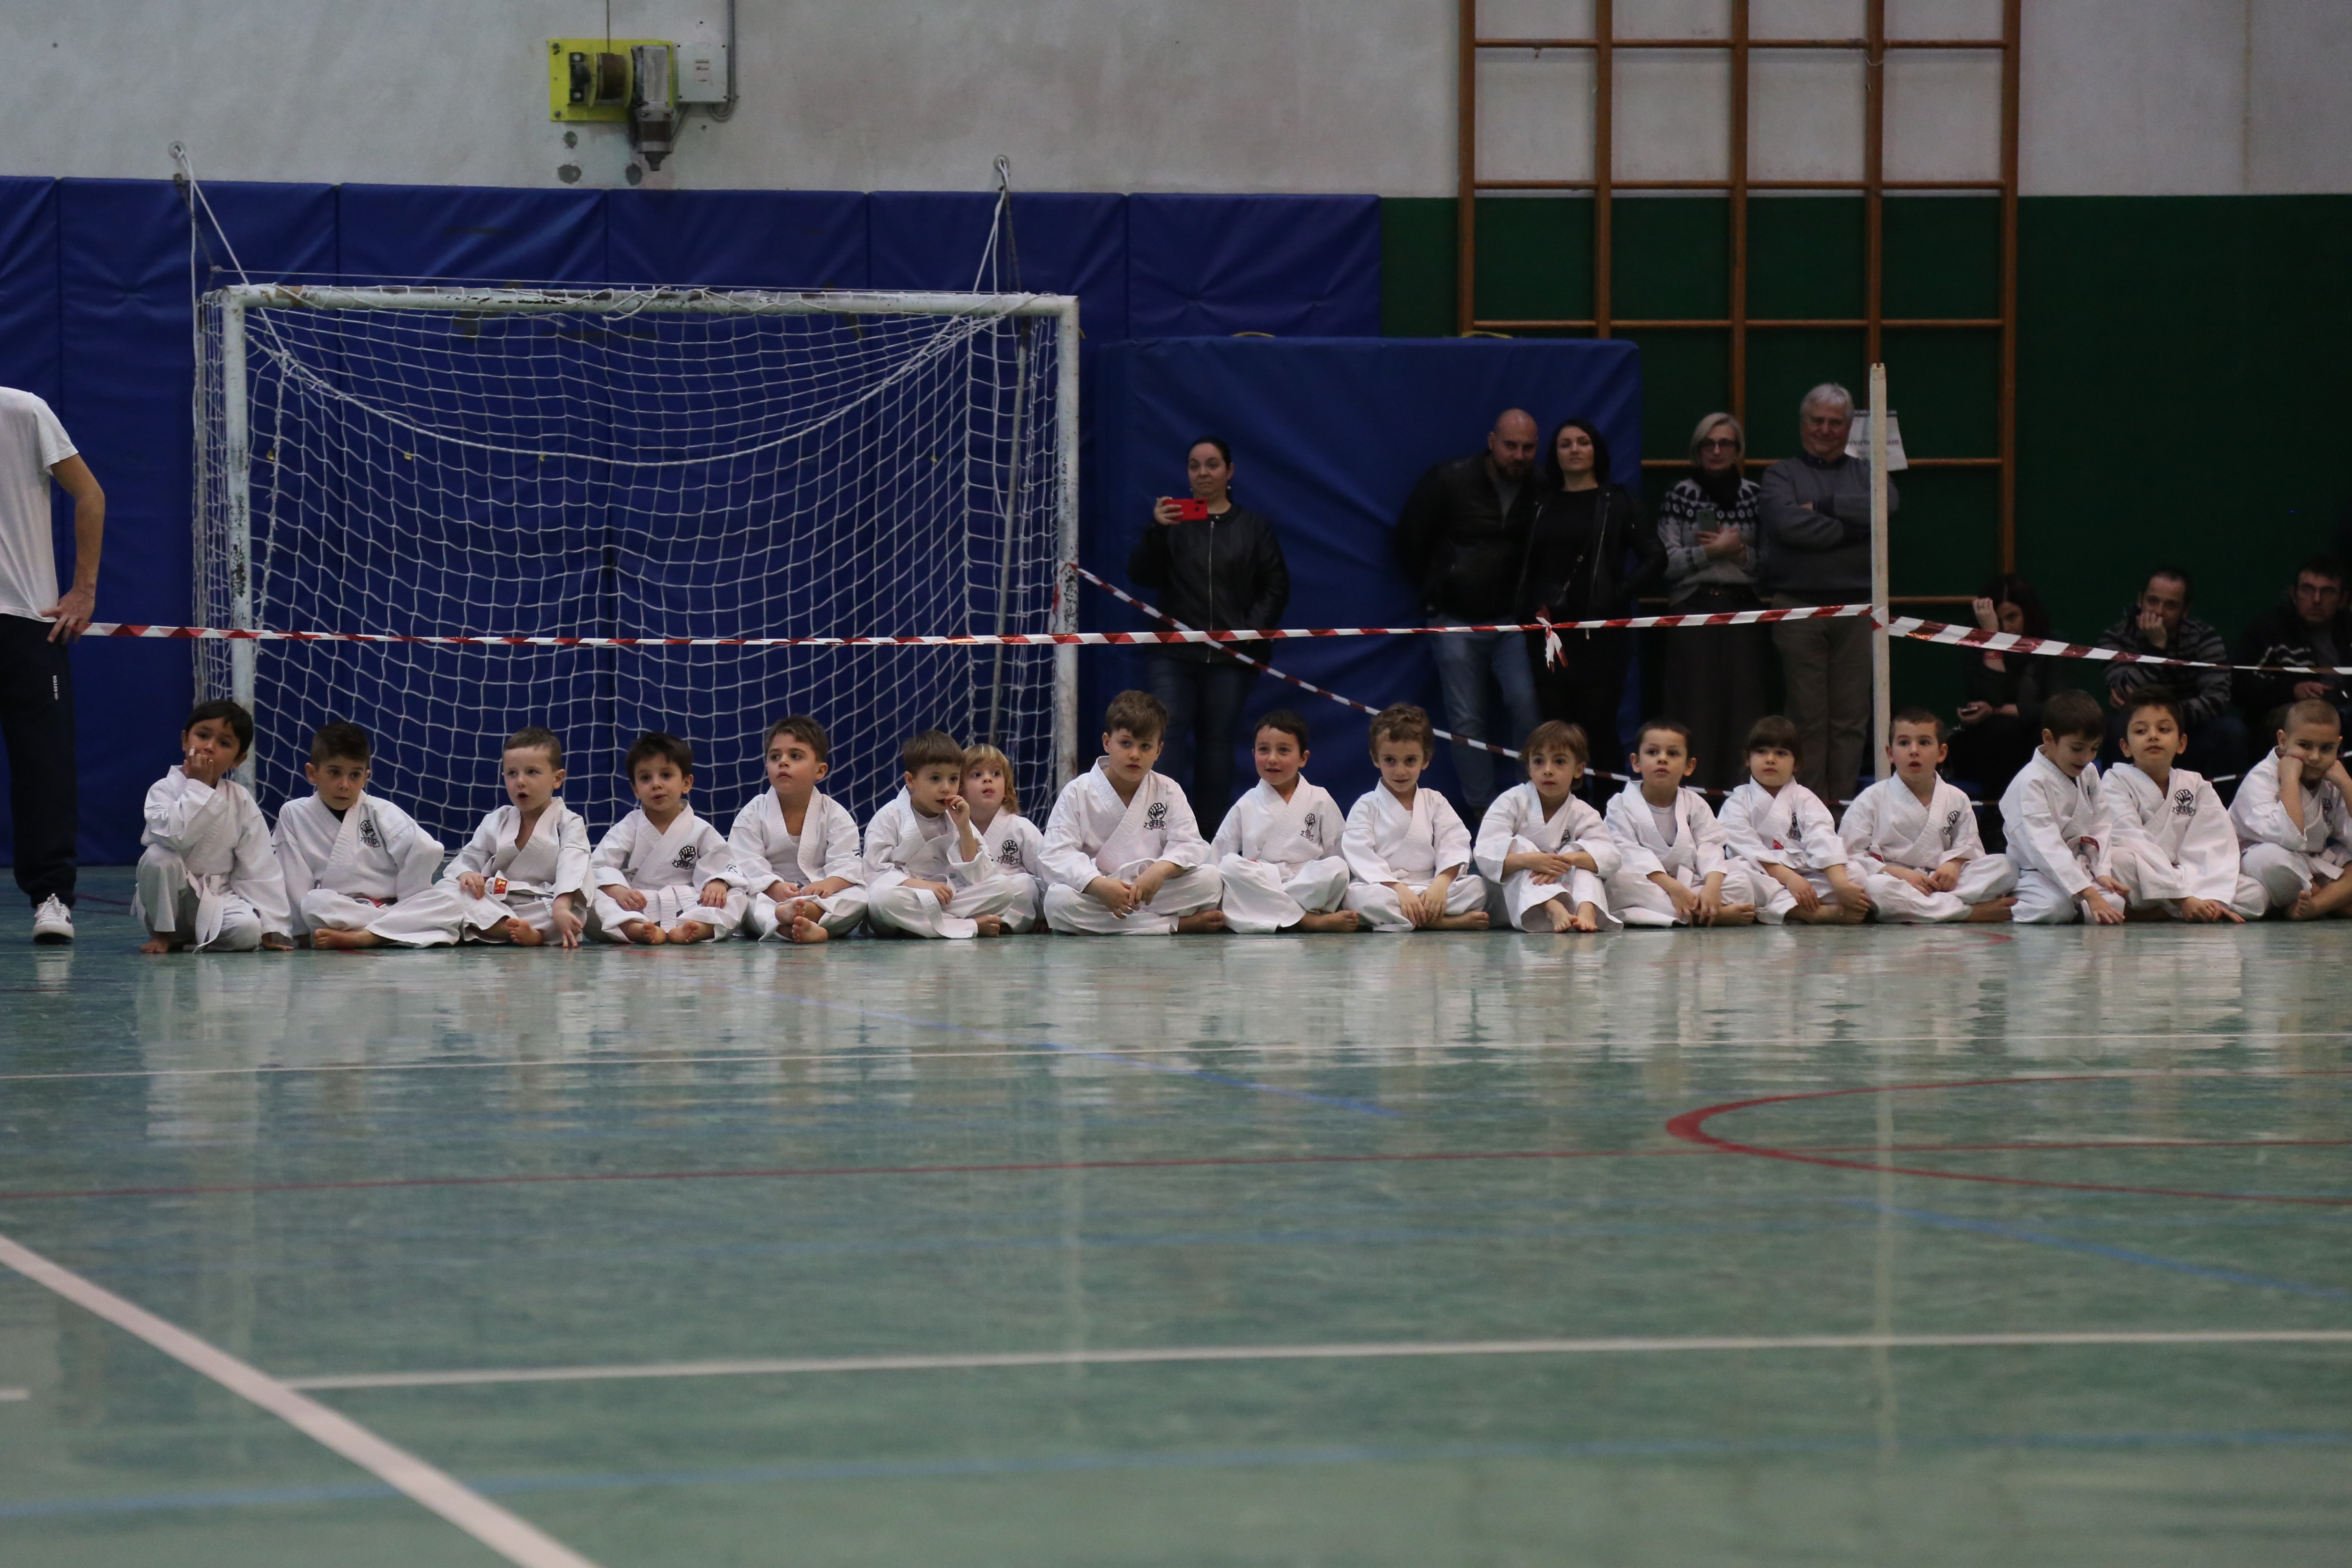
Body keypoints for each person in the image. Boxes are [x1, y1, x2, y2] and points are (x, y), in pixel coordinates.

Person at [1392, 409, 1547, 815]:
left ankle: (1531, 806)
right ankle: (1484, 812)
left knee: (1528, 709)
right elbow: (1408, 539)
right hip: (1454, 621)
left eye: (1527, 448)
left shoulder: (1542, 486)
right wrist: (1437, 592)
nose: (1518, 455)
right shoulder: (1449, 479)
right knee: (1466, 722)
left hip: (1512, 622)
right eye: (1510, 446)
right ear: (1492, 441)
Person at [1128, 437, 1290, 821]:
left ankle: (1210, 835)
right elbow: (1141, 575)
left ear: (1229, 472)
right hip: (1173, 653)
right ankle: (1165, 827)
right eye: (1194, 465)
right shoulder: (1173, 522)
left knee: (1217, 743)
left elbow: (1276, 586)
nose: (1203, 473)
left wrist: (1247, 633)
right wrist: (1157, 530)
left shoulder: (1254, 527)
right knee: (1166, 736)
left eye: (1212, 464)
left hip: (1232, 656)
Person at [1757, 383, 1896, 808]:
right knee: (1807, 719)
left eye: (1836, 423)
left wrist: (1820, 508)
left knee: (1852, 720)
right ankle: (1809, 811)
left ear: (1849, 428)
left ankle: (1844, 813)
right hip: (1797, 610)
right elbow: (1787, 527)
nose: (1825, 429)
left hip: (1859, 611)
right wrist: (1855, 528)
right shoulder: (1780, 474)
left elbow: (1886, 506)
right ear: (1803, 424)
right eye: (1817, 421)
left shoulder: (1868, 471)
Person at [0, 384, 104, 943]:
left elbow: (89, 494)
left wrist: (83, 591)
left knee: (45, 770)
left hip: (26, 623)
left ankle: (52, 899)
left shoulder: (23, 410)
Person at [1524, 417, 1660, 796]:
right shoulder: (1541, 504)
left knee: (1597, 728)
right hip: (1550, 637)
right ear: (1555, 454)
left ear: (1596, 450)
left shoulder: (1618, 500)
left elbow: (1656, 557)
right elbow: (1529, 566)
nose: (1575, 450)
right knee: (1554, 733)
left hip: (1600, 636)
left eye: (1583, 442)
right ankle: (1558, 814)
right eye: (1565, 444)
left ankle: (1608, 814)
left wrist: (1616, 596)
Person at [369, 726, 589, 948]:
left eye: (532, 772)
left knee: (571, 914)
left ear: (557, 779)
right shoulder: (497, 820)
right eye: (512, 773)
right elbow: (468, 860)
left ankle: (532, 933)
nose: (520, 781)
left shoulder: (569, 823)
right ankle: (511, 931)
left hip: (543, 906)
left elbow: (573, 868)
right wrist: (467, 874)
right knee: (449, 889)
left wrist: (561, 907)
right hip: (497, 904)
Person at [1039, 689, 1225, 935]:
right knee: (1058, 901)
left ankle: (1124, 925)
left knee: (1211, 881)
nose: (1135, 755)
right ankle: (1175, 925)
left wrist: (1162, 869)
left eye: (1146, 746)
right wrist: (1097, 885)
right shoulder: (1078, 791)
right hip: (1101, 892)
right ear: (1107, 742)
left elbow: (1190, 844)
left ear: (1158, 751)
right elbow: (1057, 853)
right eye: (1126, 743)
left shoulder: (1168, 790)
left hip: (1152, 890)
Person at [1656, 412, 1769, 792]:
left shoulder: (1755, 495)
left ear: (1738, 450)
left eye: (1725, 444)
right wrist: (1713, 552)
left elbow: (1770, 564)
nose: (1717, 451)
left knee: (1745, 710)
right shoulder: (1680, 494)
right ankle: (1693, 797)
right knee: (1694, 709)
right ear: (1698, 449)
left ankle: (1743, 798)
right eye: (1709, 443)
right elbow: (1666, 562)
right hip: (1693, 607)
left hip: (1744, 609)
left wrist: (1739, 554)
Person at [132, 699, 294, 954]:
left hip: (216, 900)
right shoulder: (163, 790)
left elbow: (259, 866)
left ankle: (194, 940)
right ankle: (164, 935)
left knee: (247, 931)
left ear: (238, 759)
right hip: (167, 903)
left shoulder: (240, 800)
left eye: (224, 743)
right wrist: (198, 787)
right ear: (185, 740)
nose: (209, 747)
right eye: (203, 736)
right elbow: (174, 837)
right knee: (158, 857)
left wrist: (271, 927)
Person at [273, 721, 444, 950]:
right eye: (335, 772)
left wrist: (407, 900)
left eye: (355, 775)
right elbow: (294, 879)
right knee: (314, 903)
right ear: (312, 773)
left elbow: (427, 851)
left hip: (390, 907)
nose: (345, 785)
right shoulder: (294, 814)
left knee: (450, 901)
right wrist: (303, 934)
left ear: (366, 777)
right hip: (337, 910)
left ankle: (369, 936)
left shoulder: (380, 811)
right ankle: (397, 930)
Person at [1840, 709, 2017, 924]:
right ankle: (1967, 912)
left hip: (1945, 882)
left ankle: (1925, 909)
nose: (1914, 751)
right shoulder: (1871, 799)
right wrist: (1897, 873)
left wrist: (1954, 864)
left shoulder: (1956, 798)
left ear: (1942, 752)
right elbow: (1850, 855)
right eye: (1904, 743)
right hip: (1896, 881)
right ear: (1890, 753)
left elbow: (1969, 845)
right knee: (1875, 888)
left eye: (1924, 743)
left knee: (2006, 866)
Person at [2105, 690, 2265, 923]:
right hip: (2145, 871)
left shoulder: (2196, 785)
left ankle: (2166, 911)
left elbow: (2213, 841)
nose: (2153, 736)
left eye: (2164, 729)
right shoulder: (2115, 781)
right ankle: (2186, 908)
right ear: (2125, 747)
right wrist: (2183, 898)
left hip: (2188, 874)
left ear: (2181, 743)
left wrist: (2205, 892)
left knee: (2256, 895)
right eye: (2141, 731)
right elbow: (2131, 839)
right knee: (2118, 860)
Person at [864, 730, 1028, 939]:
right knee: (883, 900)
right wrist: (922, 886)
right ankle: (968, 926)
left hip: (948, 899)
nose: (946, 788)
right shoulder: (889, 816)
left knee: (1004, 889)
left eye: (953, 779)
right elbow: (874, 874)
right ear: (911, 780)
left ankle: (920, 927)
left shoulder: (957, 815)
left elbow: (981, 877)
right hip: (908, 896)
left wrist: (964, 827)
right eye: (935, 779)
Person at [1340, 703, 1489, 932]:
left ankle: (1409, 919)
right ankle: (1441, 922)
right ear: (1375, 758)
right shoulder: (1366, 805)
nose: (1400, 771)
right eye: (1390, 760)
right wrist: (1398, 888)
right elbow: (1360, 854)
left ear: (1426, 759)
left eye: (1410, 760)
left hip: (1431, 888)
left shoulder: (1434, 801)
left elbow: (1454, 843)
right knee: (1357, 897)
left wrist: (1441, 884)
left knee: (1477, 887)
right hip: (1387, 888)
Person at [1207, 709, 1357, 935]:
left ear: (1303, 758)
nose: (1272, 759)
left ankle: (1272, 910)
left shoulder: (1320, 798)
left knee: (1337, 868)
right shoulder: (1247, 803)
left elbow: (1337, 850)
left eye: (1284, 750)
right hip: (1262, 878)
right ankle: (1306, 920)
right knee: (1230, 866)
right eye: (1264, 750)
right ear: (1254, 754)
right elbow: (1220, 853)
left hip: (1303, 882)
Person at [588, 732, 746, 945]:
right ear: (635, 789)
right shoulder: (629, 827)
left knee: (737, 896)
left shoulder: (700, 829)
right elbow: (600, 866)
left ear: (686, 783)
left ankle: (700, 927)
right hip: (636, 904)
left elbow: (722, 862)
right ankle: (633, 929)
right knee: (591, 899)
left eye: (666, 775)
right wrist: (618, 890)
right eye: (646, 778)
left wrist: (718, 882)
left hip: (688, 903)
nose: (656, 784)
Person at [1601, 718, 1761, 928]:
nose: (1662, 759)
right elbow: (1626, 852)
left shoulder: (1695, 803)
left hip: (1690, 883)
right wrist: (1673, 889)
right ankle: (1703, 916)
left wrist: (1712, 887)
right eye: (1652, 752)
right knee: (1617, 884)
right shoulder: (1620, 805)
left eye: (1673, 753)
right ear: (1636, 762)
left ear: (1689, 766)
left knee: (1741, 880)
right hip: (1649, 883)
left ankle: (1693, 911)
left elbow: (1710, 846)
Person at [1718, 715, 1871, 925]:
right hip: (1764, 874)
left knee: (1856, 874)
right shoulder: (1737, 802)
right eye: (1761, 752)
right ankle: (1807, 912)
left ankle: (1785, 907)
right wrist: (1790, 879)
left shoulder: (1805, 798)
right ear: (1748, 759)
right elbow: (1748, 848)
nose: (1770, 759)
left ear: (1796, 763)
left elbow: (1822, 837)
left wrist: (1841, 884)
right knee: (1737, 875)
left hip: (1805, 872)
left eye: (1781, 753)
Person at [730, 716, 868, 943]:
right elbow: (744, 861)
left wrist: (829, 884)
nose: (783, 762)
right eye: (775, 757)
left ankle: (811, 915)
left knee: (859, 898)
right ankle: (788, 925)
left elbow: (847, 863)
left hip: (820, 895)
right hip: (770, 897)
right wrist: (773, 887)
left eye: (795, 756)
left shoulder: (835, 814)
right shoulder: (753, 813)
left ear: (820, 771)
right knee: (741, 899)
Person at [2095, 567, 2245, 778]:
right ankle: (2120, 796)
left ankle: (2222, 799)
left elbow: (2216, 698)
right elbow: (2125, 693)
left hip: (2190, 726)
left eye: (2171, 606)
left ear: (2185, 611)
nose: (2159, 611)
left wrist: (2168, 720)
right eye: (2153, 601)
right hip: (2140, 726)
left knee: (2231, 730)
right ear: (2140, 600)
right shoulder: (2117, 638)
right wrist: (2156, 649)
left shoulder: (2204, 638)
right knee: (2118, 727)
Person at [1474, 719, 1618, 933]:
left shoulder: (1583, 812)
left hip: (1567, 890)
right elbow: (1485, 854)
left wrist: (1566, 860)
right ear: (1529, 767)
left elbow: (1611, 857)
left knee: (1584, 858)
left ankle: (1587, 909)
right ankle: (1551, 906)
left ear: (1579, 769)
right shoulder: (1511, 801)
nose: (1548, 770)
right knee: (1519, 846)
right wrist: (1531, 860)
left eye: (1559, 762)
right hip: (1519, 896)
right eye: (1539, 761)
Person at [1998, 688, 2128, 926]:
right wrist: (2090, 894)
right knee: (2055, 908)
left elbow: (2101, 824)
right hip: (2034, 871)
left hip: (2077, 867)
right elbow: (2044, 845)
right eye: (2077, 749)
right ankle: (2004, 904)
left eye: (2094, 748)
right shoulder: (2031, 781)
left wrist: (2102, 872)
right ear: (2049, 739)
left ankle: (2080, 904)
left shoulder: (2089, 772)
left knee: (2115, 903)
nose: (2087, 757)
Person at [1946, 574, 2067, 812]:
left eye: (2012, 617)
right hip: (1989, 745)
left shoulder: (2053, 643)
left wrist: (1999, 711)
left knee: (2042, 732)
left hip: (2033, 735)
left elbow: (2058, 707)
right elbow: (1993, 697)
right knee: (2004, 731)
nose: (2006, 628)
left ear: (2028, 613)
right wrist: (1993, 641)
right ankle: (1996, 819)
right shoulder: (1976, 646)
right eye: (1998, 622)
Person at [2230, 697, 2352, 920]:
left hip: (2313, 865)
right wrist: (2289, 779)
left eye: (2327, 748)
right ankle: (2335, 901)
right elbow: (2290, 838)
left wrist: (2347, 784)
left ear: (2338, 744)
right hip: (2263, 865)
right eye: (2305, 746)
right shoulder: (2261, 778)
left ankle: (2316, 905)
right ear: (2283, 740)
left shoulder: (2333, 780)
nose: (2315, 757)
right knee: (2270, 859)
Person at [2235, 555, 2351, 734]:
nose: (2317, 599)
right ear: (2294, 594)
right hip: (2286, 710)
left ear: (2343, 599)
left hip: (2344, 708)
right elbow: (2240, 685)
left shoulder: (2348, 629)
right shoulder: (2269, 630)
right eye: (2308, 590)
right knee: (2305, 718)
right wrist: (2293, 690)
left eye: (2328, 592)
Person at [959, 743, 1046, 932]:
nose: (988, 779)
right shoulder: (954, 828)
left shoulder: (1021, 828)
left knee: (1025, 886)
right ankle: (975, 923)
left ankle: (1002, 924)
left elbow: (1046, 873)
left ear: (1006, 787)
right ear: (960, 789)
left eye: (996, 774)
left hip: (1011, 899)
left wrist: (1046, 915)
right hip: (974, 898)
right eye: (977, 775)